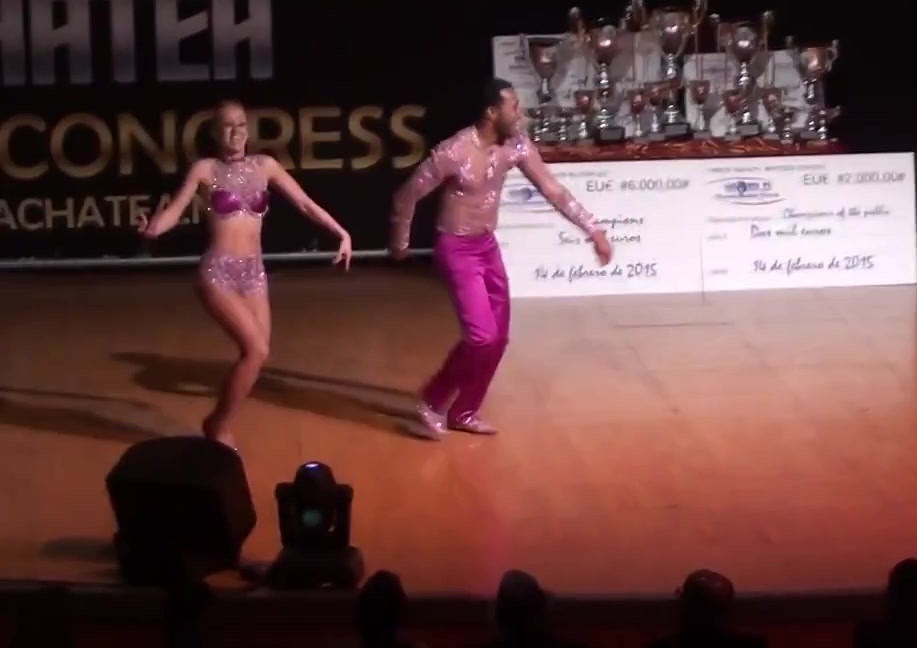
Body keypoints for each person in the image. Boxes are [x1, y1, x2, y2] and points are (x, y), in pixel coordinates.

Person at [388, 78, 611, 438]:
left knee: (499, 338)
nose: (520, 114)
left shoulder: (516, 146)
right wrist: (400, 242)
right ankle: (433, 399)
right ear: (492, 112)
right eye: (514, 107)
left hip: (486, 246)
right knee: (481, 337)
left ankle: (465, 411)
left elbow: (553, 190)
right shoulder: (454, 152)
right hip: (456, 248)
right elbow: (407, 195)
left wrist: (593, 230)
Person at [139, 100, 353, 449]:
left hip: (254, 274)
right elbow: (175, 211)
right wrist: (153, 229)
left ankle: (219, 419)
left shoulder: (265, 166)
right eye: (227, 126)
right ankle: (218, 425)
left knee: (258, 354)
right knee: (255, 350)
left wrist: (340, 232)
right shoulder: (204, 169)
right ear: (214, 132)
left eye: (241, 124)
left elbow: (304, 203)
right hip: (218, 272)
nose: (236, 132)